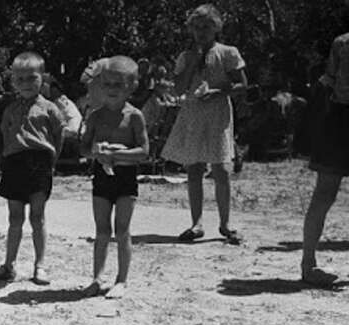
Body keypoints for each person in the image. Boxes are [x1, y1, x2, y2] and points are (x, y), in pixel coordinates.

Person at [161, 4, 248, 245]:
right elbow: (178, 88)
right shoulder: (186, 56)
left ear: (216, 28)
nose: (201, 32)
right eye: (197, 28)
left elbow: (242, 85)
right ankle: (196, 224)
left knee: (221, 169)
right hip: (193, 113)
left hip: (218, 113)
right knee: (194, 168)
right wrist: (192, 62)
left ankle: (225, 224)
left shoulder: (227, 52)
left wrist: (218, 91)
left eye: (206, 27)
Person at [0, 52, 64, 285]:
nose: (26, 83)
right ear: (13, 81)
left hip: (39, 164)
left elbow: (58, 136)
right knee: (15, 217)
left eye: (31, 78)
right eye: (20, 79)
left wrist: (51, 162)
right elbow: (5, 134)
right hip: (14, 164)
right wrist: (5, 160)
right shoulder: (10, 109)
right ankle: (9, 266)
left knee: (37, 217)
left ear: (42, 78)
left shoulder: (50, 109)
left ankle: (40, 266)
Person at [79, 56, 150, 298]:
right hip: (101, 176)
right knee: (101, 231)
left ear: (131, 87)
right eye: (107, 84)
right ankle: (97, 278)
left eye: (118, 85)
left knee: (122, 231)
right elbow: (84, 148)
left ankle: (121, 280)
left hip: (125, 178)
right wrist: (96, 152)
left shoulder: (134, 116)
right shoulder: (95, 116)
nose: (111, 89)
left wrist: (118, 154)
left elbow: (144, 151)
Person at [301, 19, 349, 288]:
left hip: (338, 119)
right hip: (340, 121)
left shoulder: (342, 42)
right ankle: (308, 264)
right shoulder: (342, 43)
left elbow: (328, 81)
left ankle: (308, 264)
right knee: (324, 194)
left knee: (323, 194)